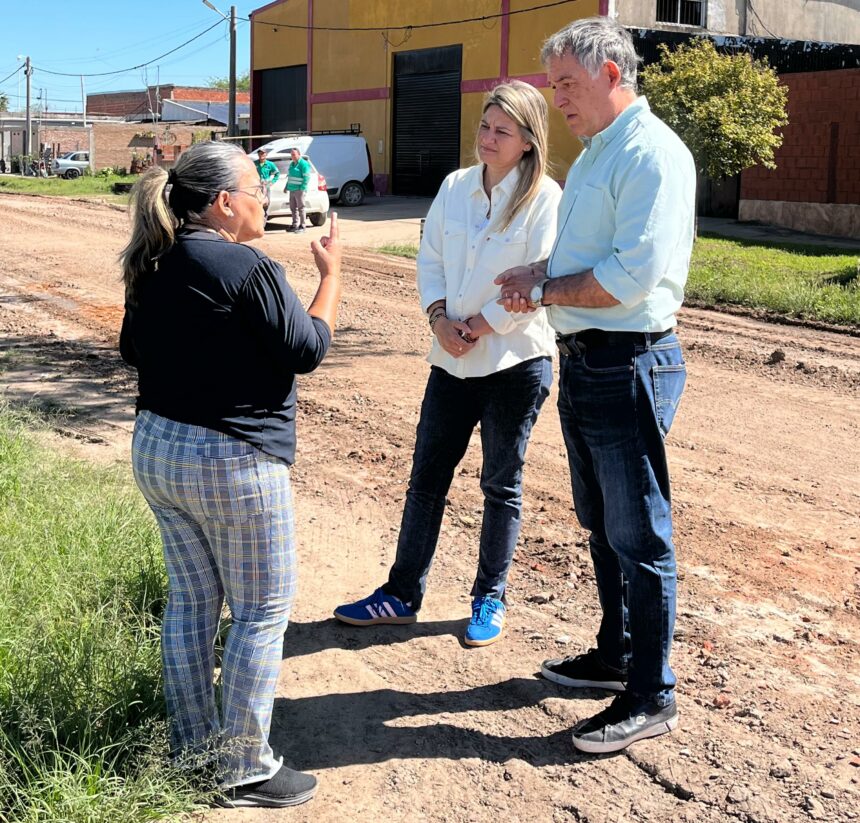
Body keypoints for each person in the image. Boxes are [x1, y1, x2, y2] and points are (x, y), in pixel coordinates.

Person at [119, 141, 341, 807]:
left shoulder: (153, 258)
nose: (264, 199)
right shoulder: (246, 265)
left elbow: (133, 348)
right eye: (255, 189)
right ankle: (243, 765)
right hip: (231, 460)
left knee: (191, 602)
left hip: (158, 448)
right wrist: (332, 277)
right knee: (260, 610)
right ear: (224, 203)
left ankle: (194, 750)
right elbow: (307, 349)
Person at [496, 17, 695, 754]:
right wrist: (539, 279)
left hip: (628, 359)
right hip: (588, 359)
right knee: (603, 523)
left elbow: (628, 278)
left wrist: (544, 286)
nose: (559, 100)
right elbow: (584, 259)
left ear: (614, 75)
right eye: (554, 85)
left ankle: (651, 693)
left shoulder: (651, 155)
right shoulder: (596, 155)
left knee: (639, 534)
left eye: (568, 85)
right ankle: (616, 653)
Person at [334, 81, 560, 647]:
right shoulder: (456, 187)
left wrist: (482, 325)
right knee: (426, 479)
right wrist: (438, 318)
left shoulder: (546, 200)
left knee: (500, 484)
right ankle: (401, 594)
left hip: (514, 361)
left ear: (529, 142)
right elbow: (429, 257)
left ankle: (490, 597)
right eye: (484, 127)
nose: (487, 138)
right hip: (449, 359)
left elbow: (539, 282)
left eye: (501, 131)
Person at [285, 147, 310, 234]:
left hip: (299, 190)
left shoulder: (303, 164)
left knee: (301, 208)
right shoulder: (292, 164)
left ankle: (303, 226)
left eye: (294, 154)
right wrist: (286, 186)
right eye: (291, 155)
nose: (292, 156)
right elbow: (290, 176)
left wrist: (302, 188)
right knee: (293, 208)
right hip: (292, 189)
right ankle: (295, 224)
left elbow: (306, 177)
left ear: (299, 154)